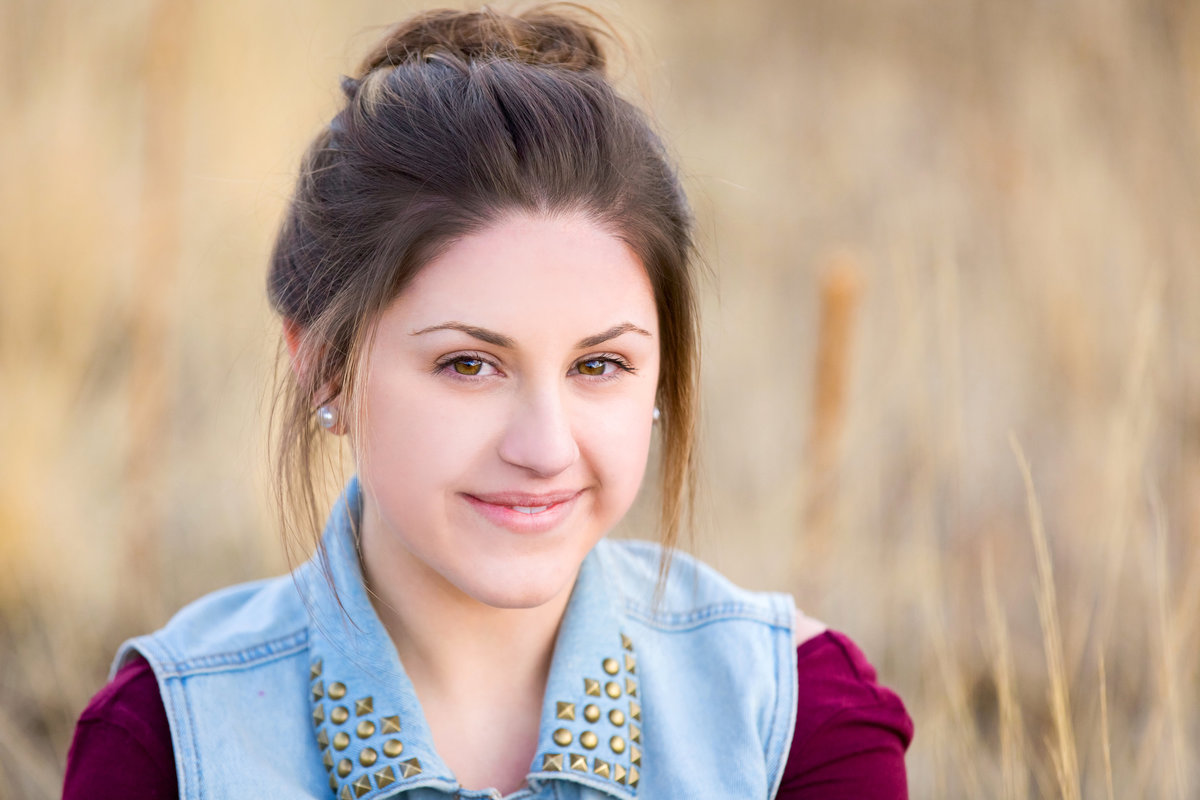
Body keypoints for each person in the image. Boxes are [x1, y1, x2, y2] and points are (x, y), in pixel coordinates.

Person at [64, 6, 912, 798]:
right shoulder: (168, 745)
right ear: (323, 366)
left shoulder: (798, 723)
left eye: (601, 365)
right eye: (469, 365)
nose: (544, 448)